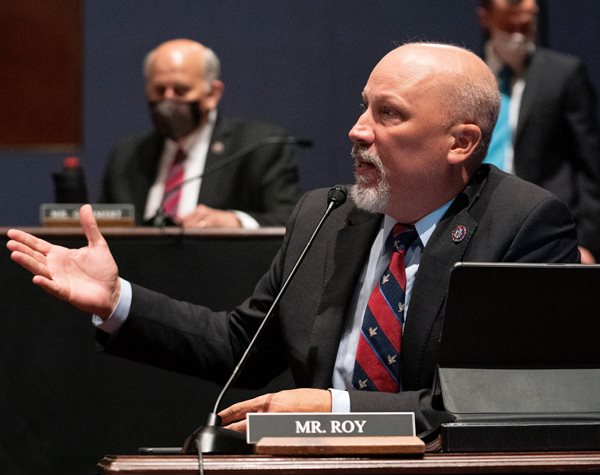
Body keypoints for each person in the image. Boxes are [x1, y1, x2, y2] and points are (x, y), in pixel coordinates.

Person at [7, 43, 579, 436]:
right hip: (315, 473)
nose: (357, 130)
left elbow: (503, 403)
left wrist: (336, 408)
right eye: (363, 106)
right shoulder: (325, 215)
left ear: (460, 143)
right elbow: (237, 346)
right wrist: (116, 301)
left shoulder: (524, 224)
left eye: (388, 114)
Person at [100, 39, 302, 228]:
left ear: (212, 94)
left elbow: (290, 220)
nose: (168, 100)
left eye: (180, 90)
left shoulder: (258, 146)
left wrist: (235, 222)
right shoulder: (127, 156)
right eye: (159, 90)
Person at [478, 0, 600, 263]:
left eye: (526, 25)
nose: (518, 35)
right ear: (485, 17)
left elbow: (591, 165)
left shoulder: (563, 72)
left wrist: (587, 241)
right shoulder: (468, 74)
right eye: (509, 24)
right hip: (480, 221)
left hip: (549, 224)